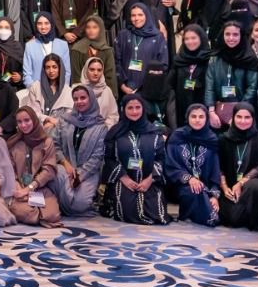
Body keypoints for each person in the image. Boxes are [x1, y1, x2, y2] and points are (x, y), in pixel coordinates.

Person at [102, 95, 168, 225]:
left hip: (149, 180)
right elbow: (109, 158)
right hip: (124, 179)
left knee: (157, 214)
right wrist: (124, 178)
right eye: (130, 108)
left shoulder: (154, 132)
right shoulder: (115, 132)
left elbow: (161, 159)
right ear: (124, 109)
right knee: (126, 210)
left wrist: (150, 179)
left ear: (143, 109)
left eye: (138, 107)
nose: (134, 111)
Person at [47, 86, 107, 217]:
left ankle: (63, 203)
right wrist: (65, 163)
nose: (79, 101)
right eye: (75, 99)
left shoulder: (100, 126)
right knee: (54, 174)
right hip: (64, 168)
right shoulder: (64, 120)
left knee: (79, 204)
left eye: (83, 98)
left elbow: (98, 157)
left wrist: (79, 175)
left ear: (91, 99)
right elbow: (54, 144)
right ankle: (64, 202)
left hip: (88, 172)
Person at [217, 102, 258, 230]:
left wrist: (241, 183)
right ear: (233, 117)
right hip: (229, 188)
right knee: (231, 218)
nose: (243, 121)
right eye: (239, 117)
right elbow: (219, 166)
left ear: (253, 118)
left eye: (247, 117)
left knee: (256, 187)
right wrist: (225, 187)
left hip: (251, 187)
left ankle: (249, 216)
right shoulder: (223, 139)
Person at [165, 104, 221, 227]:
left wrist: (214, 196)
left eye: (201, 117)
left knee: (200, 192)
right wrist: (189, 178)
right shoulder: (177, 136)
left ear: (206, 119)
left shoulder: (211, 139)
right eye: (193, 116)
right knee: (194, 191)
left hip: (205, 188)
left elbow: (215, 170)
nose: (197, 120)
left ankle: (197, 213)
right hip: (179, 185)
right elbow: (170, 164)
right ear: (187, 118)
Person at [7, 108, 61, 227]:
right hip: (18, 188)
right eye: (19, 122)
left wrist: (29, 188)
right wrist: (19, 189)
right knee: (28, 213)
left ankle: (39, 214)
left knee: (52, 216)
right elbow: (9, 169)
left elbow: (49, 169)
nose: (23, 125)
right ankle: (34, 214)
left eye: (27, 120)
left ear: (34, 120)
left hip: (40, 188)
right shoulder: (14, 142)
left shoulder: (46, 142)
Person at [114, 3, 170, 119]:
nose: (136, 18)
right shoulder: (123, 35)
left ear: (147, 15)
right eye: (133, 15)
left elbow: (163, 65)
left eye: (140, 15)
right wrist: (122, 85)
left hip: (148, 91)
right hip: (125, 89)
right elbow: (116, 61)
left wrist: (143, 87)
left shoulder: (157, 37)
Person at [204, 22, 258, 127]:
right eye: (227, 34)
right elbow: (209, 87)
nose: (231, 38)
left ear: (241, 36)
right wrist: (211, 111)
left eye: (235, 34)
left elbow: (252, 88)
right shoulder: (215, 58)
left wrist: (239, 113)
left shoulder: (249, 58)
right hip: (217, 114)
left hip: (244, 115)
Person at [169, 25, 212, 121]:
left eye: (193, 38)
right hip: (181, 107)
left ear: (201, 38)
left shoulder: (209, 59)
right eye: (186, 39)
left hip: (203, 107)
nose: (190, 42)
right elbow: (170, 83)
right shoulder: (178, 60)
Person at [68, 15, 119, 95]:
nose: (91, 30)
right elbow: (76, 77)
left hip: (103, 94)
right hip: (83, 95)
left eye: (95, 27)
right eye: (88, 27)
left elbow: (110, 77)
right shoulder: (77, 49)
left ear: (100, 29)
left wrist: (112, 97)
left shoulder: (107, 51)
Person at [22, 13, 69, 90]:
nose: (43, 27)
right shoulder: (29, 46)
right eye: (39, 23)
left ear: (52, 24)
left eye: (46, 23)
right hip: (36, 90)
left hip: (59, 89)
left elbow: (67, 71)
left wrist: (62, 89)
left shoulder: (63, 45)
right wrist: (35, 90)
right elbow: (27, 74)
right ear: (36, 25)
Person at [20, 54, 70, 120]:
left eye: (54, 67)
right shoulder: (35, 87)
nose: (51, 71)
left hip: (61, 124)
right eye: (47, 67)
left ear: (60, 68)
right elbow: (33, 111)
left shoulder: (68, 90)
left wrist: (55, 122)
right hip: (39, 123)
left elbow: (69, 114)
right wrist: (46, 119)